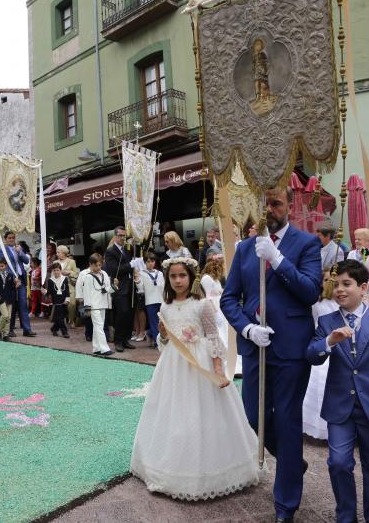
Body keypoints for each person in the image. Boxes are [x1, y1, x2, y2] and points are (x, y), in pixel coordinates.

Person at [220, 186, 322, 522]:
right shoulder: (245, 248)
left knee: (288, 420)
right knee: (255, 416)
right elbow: (228, 299)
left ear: (288, 206)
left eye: (275, 204)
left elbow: (310, 292)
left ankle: (285, 504)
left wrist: (278, 260)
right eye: (264, 205)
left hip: (292, 346)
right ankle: (292, 462)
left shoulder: (306, 244)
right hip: (255, 346)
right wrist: (246, 328)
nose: (269, 210)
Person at [130, 257, 259, 500]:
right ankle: (170, 465)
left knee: (204, 411)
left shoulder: (202, 306)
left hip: (201, 364)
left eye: (182, 276)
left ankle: (212, 467)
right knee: (175, 411)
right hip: (174, 366)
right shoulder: (165, 308)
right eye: (173, 277)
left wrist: (218, 369)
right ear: (168, 280)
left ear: (192, 277)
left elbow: (213, 337)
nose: (178, 281)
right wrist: (165, 335)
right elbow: (163, 344)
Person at [308, 259, 369, 523]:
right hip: (339, 407)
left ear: (363, 287)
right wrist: (329, 341)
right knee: (339, 463)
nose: (339, 289)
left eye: (346, 284)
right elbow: (312, 355)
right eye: (335, 284)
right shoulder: (327, 321)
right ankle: (346, 517)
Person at [302, 269, 340, 440]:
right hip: (324, 346)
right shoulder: (318, 304)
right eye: (326, 280)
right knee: (320, 386)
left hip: (341, 346)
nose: (330, 283)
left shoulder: (340, 302)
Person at [104, 226, 134, 352]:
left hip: (130, 286)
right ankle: (118, 341)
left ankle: (126, 339)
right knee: (121, 313)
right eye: (120, 235)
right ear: (115, 236)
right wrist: (130, 265)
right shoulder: (110, 251)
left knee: (129, 314)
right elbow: (114, 270)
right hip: (119, 287)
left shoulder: (127, 250)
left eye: (124, 236)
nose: (123, 238)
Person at [76, 253, 113, 355]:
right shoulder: (87, 276)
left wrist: (115, 287)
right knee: (99, 326)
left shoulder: (104, 274)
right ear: (90, 264)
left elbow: (107, 289)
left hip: (103, 304)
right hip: (93, 306)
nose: (98, 267)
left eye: (100, 265)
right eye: (96, 265)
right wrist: (87, 308)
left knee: (98, 327)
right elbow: (86, 293)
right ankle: (105, 348)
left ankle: (96, 348)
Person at [2, 231, 37, 337]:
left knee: (23, 305)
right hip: (10, 281)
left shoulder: (19, 248)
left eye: (13, 237)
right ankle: (10, 329)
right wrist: (13, 279)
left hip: (21, 280)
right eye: (9, 238)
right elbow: (3, 266)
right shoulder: (2, 250)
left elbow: (26, 261)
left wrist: (20, 252)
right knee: (11, 305)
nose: (11, 239)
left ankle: (27, 329)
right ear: (5, 239)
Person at [134, 252, 164, 348]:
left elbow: (163, 287)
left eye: (152, 261)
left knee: (161, 321)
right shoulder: (142, 273)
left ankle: (150, 333)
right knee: (154, 321)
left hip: (161, 300)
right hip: (150, 301)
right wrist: (137, 280)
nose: (150, 263)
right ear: (145, 263)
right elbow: (140, 289)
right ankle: (157, 342)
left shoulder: (160, 273)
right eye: (148, 261)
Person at [0, 259, 15, 341]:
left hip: (9, 298)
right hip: (0, 298)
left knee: (8, 317)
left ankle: (6, 335)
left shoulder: (10, 275)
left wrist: (16, 285)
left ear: (6, 266)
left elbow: (12, 288)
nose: (1, 268)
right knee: (5, 315)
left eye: (2, 266)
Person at [55, 245, 79, 327]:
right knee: (60, 305)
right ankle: (61, 322)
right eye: (57, 252)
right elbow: (52, 274)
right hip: (59, 286)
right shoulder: (55, 262)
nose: (57, 254)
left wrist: (69, 273)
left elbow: (76, 274)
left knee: (72, 304)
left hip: (69, 285)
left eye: (58, 252)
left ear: (64, 253)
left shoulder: (71, 262)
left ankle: (71, 320)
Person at [47, 262, 70, 339]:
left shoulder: (65, 279)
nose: (56, 272)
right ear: (52, 271)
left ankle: (54, 328)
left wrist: (67, 299)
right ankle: (65, 332)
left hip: (64, 300)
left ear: (60, 270)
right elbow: (49, 292)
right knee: (60, 317)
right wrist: (45, 292)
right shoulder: (50, 280)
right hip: (56, 300)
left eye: (57, 270)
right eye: (54, 270)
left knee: (61, 316)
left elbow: (67, 290)